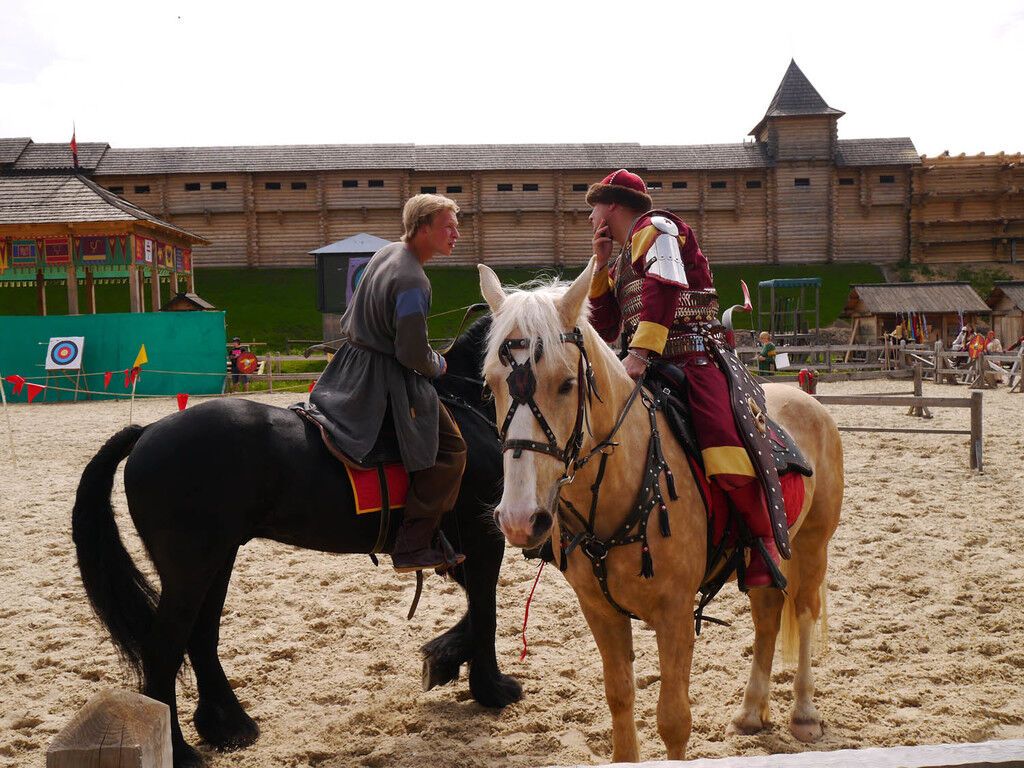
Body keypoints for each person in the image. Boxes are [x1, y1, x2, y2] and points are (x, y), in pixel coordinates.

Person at [586, 169, 784, 589]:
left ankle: (761, 540)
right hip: (643, 362)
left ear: (614, 206)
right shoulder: (620, 259)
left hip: (693, 356)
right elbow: (604, 328)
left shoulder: (657, 227)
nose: (590, 218)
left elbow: (666, 287)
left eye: (595, 208)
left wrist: (641, 352)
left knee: (721, 439)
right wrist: (599, 267)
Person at [307, 194, 466, 573]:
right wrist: (438, 362)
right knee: (451, 450)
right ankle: (412, 543)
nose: (456, 234)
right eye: (449, 226)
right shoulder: (413, 279)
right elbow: (411, 354)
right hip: (383, 376)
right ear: (424, 228)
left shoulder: (386, 253)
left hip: (350, 361)